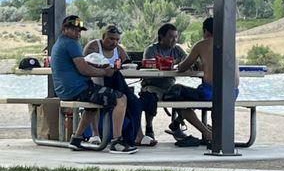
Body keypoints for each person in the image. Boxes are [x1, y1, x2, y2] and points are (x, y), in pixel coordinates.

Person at [51, 15, 138, 154]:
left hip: (65, 90)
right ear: (64, 28)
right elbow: (83, 69)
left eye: (79, 30)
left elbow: (80, 66)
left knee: (92, 108)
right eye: (73, 29)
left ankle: (77, 138)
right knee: (120, 98)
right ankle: (116, 141)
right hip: (77, 90)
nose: (77, 33)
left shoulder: (59, 43)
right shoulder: (71, 44)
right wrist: (105, 72)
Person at [166, 17, 239, 142]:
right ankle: (182, 123)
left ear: (205, 31)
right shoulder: (229, 43)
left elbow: (182, 67)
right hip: (232, 93)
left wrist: (178, 65)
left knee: (175, 94)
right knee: (204, 99)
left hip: (211, 93)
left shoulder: (201, 44)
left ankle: (206, 131)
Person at [83, 24, 142, 147]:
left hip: (114, 82)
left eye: (117, 39)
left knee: (134, 102)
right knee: (98, 103)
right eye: (110, 38)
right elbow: (86, 64)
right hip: (94, 83)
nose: (114, 42)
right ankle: (95, 134)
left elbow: (126, 63)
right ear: (103, 37)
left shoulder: (119, 49)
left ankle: (136, 135)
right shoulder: (93, 46)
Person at [141, 23, 186, 140]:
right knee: (149, 95)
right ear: (161, 37)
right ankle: (149, 127)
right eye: (171, 36)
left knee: (191, 96)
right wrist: (171, 63)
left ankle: (176, 123)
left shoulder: (178, 49)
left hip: (170, 86)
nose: (174, 40)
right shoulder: (151, 50)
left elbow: (188, 60)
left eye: (176, 37)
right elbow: (148, 66)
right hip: (152, 85)